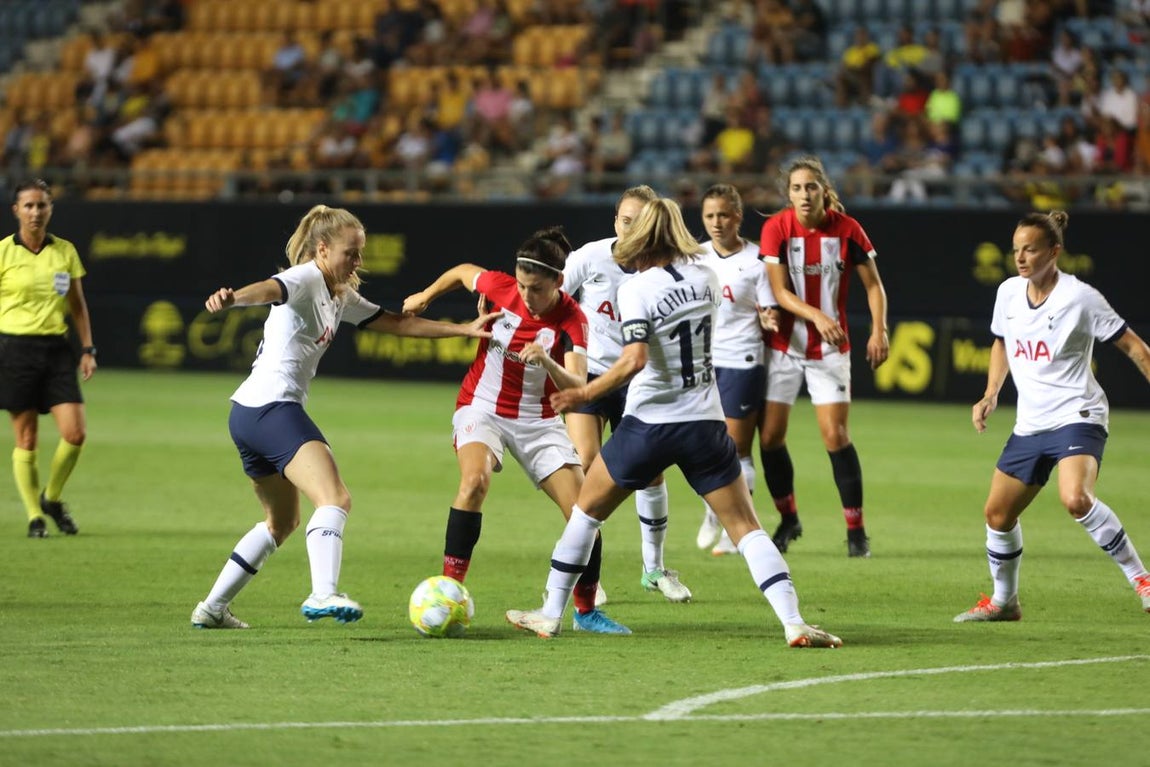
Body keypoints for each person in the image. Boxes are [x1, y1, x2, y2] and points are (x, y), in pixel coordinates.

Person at [505, 198, 842, 649]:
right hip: (705, 422)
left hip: (649, 424)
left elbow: (636, 358)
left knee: (585, 514)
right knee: (746, 527)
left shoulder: (637, 289)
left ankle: (549, 613)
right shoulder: (707, 275)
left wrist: (586, 391)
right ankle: (794, 622)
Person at [190, 205, 497, 629]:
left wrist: (463, 330)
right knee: (335, 498)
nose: (358, 261)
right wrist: (232, 299)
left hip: (247, 415)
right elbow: (269, 288)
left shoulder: (340, 294)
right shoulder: (307, 278)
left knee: (282, 522)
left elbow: (397, 325)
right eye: (351, 253)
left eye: (360, 253)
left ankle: (211, 609)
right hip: (272, 409)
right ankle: (322, 593)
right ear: (322, 248)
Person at [402, 227, 632, 634]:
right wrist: (425, 296)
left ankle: (585, 610)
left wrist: (547, 361)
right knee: (474, 482)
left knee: (585, 511)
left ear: (559, 282)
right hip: (482, 406)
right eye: (522, 284)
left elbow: (577, 387)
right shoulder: (501, 287)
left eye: (537, 288)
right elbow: (461, 271)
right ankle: (450, 589)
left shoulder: (573, 321)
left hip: (539, 421)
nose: (526, 296)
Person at [955, 211, 1150, 622]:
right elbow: (1001, 342)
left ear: (1054, 251)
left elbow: (1136, 348)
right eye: (1016, 250)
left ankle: (1142, 580)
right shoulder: (1008, 292)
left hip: (1079, 414)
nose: (1021, 258)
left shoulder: (1080, 298)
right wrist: (991, 393)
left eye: (1030, 249)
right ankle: (1005, 601)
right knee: (997, 515)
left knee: (1076, 498)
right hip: (1031, 423)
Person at [562, 185, 691, 604]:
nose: (629, 227)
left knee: (650, 472)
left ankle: (653, 569)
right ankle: (588, 577)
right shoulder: (589, 257)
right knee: (585, 465)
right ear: (614, 219)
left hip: (639, 381)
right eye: (624, 219)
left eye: (639, 220)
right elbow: (553, 300)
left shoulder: (658, 270)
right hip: (590, 375)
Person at [759, 155, 889, 558]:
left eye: (810, 187)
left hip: (830, 350)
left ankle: (856, 530)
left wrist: (880, 330)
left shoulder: (847, 230)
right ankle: (789, 518)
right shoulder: (776, 228)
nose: (803, 194)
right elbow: (779, 292)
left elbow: (874, 287)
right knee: (770, 438)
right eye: (796, 188)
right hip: (784, 346)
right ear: (788, 193)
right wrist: (816, 315)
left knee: (835, 436)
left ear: (823, 190)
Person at [0, 179, 94, 538]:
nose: (35, 212)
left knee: (75, 432)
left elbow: (77, 306)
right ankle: (34, 516)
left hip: (56, 350)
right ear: (16, 211)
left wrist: (87, 349)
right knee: (26, 439)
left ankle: (52, 497)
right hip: (14, 350)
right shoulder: (3, 253)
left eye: (42, 205)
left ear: (51, 209)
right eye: (29, 206)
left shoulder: (64, 252)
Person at [694, 184, 776, 557]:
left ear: (738, 217)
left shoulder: (758, 260)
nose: (716, 222)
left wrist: (770, 316)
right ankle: (713, 511)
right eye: (710, 215)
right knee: (701, 445)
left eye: (723, 215)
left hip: (742, 359)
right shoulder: (694, 258)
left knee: (736, 448)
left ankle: (734, 529)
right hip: (701, 361)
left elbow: (770, 307)